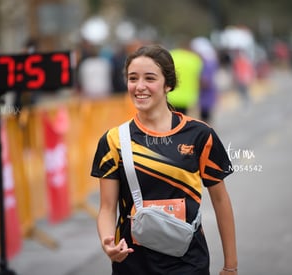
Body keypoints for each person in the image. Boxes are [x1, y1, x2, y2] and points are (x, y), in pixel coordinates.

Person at [91, 44, 238, 275]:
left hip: (188, 262)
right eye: (132, 78)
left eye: (149, 78)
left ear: (168, 84)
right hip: (132, 263)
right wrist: (108, 242)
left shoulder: (200, 135)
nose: (139, 87)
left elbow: (221, 201)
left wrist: (231, 265)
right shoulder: (113, 140)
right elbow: (107, 208)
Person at [167, 39, 203, 115]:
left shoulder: (172, 55)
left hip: (171, 95)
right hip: (188, 97)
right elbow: (198, 78)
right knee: (184, 120)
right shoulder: (194, 59)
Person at [190, 36, 220, 123]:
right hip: (207, 96)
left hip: (204, 96)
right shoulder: (211, 61)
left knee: (204, 119)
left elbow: (205, 81)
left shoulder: (206, 63)